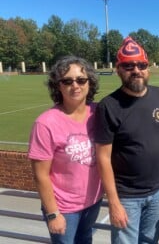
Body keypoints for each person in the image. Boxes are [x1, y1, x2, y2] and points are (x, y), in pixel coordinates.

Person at [94, 36, 159, 244]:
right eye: (129, 66)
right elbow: (103, 158)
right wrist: (113, 202)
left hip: (157, 191)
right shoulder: (108, 106)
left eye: (142, 65)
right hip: (126, 197)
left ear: (148, 68)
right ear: (119, 69)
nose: (136, 70)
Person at [28, 55, 104, 243]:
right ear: (58, 86)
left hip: (92, 202)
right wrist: (53, 213)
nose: (75, 85)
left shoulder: (99, 113)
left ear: (90, 83)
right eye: (67, 81)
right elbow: (40, 175)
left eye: (81, 80)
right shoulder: (45, 123)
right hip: (63, 208)